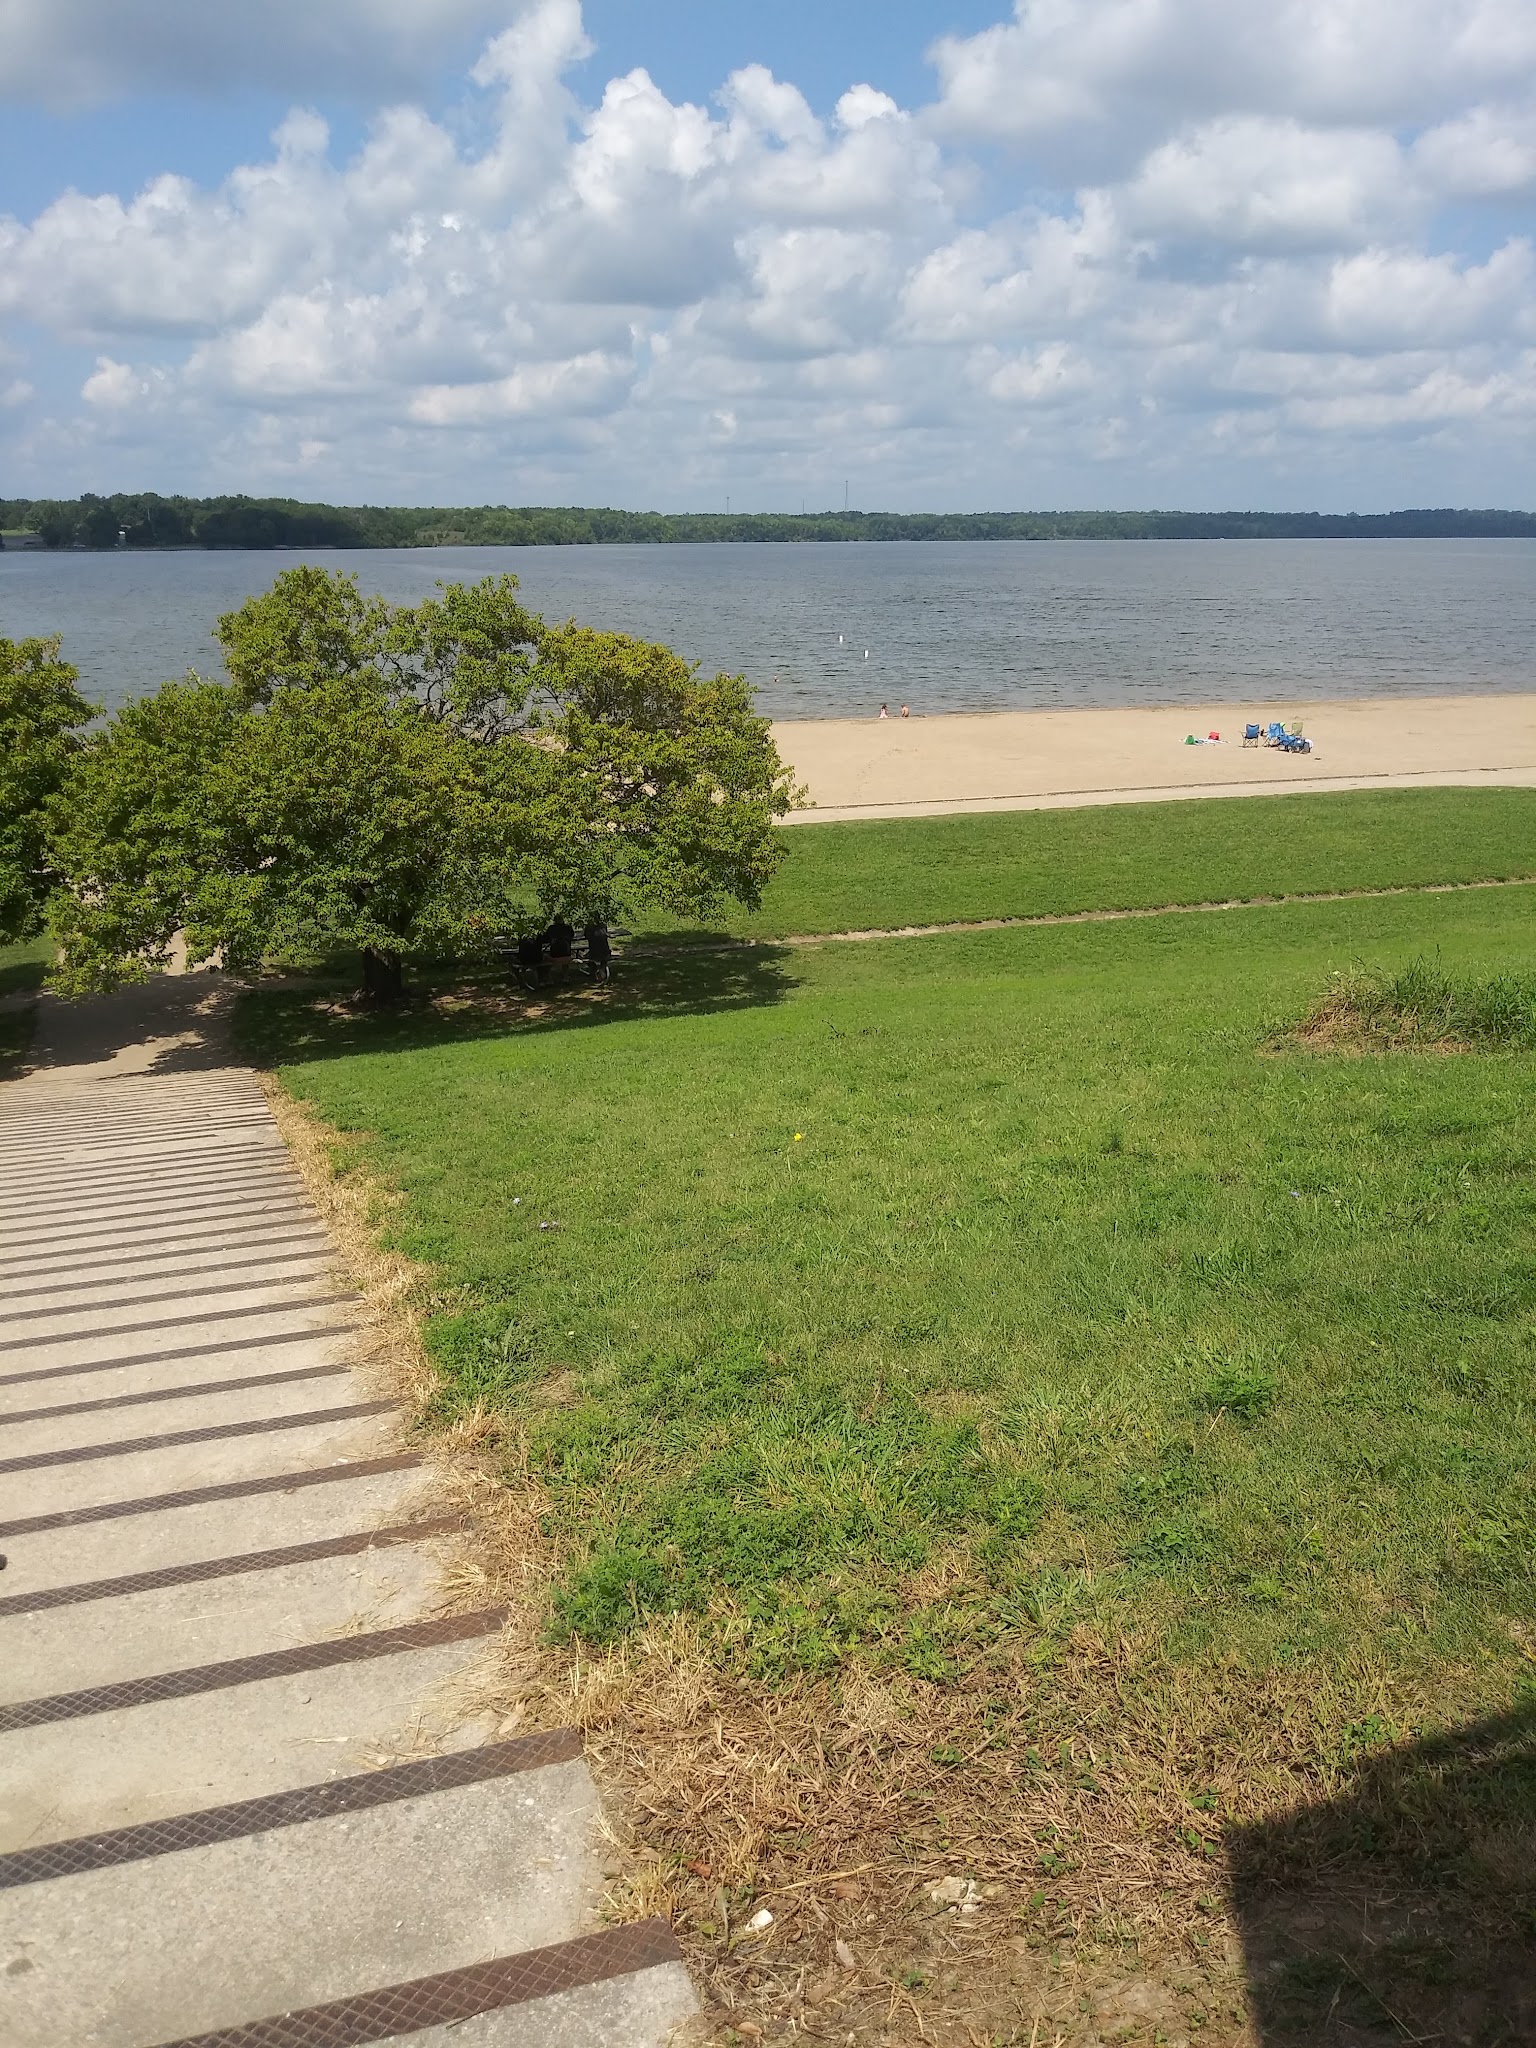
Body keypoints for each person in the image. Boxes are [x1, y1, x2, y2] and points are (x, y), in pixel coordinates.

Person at [544, 914, 575, 981]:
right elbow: (572, 936)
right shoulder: (568, 928)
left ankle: (548, 978)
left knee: (544, 957)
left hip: (554, 956)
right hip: (567, 956)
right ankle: (565, 976)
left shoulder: (551, 928)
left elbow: (546, 938)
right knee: (566, 956)